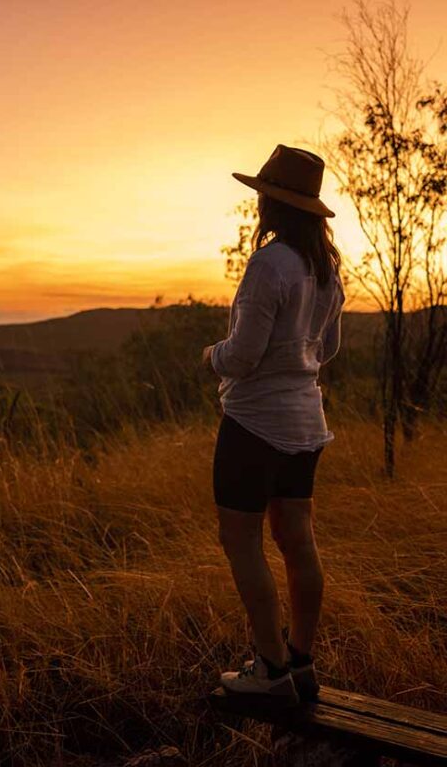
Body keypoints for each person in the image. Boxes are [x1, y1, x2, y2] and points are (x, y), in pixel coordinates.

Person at [202, 144, 345, 705]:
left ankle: (269, 668)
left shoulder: (269, 265)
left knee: (241, 541)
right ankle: (301, 661)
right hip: (307, 424)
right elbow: (326, 348)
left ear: (271, 203)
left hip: (255, 423)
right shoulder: (325, 270)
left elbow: (242, 356)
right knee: (297, 538)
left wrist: (209, 355)